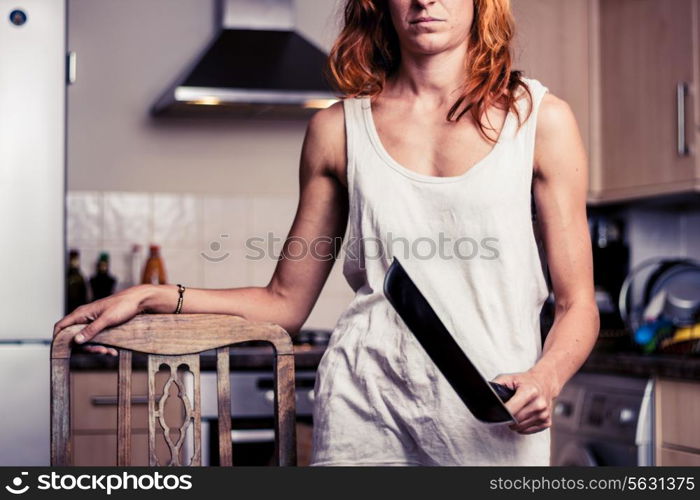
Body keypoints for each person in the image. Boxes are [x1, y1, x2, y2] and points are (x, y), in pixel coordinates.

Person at [53, 0, 599, 466]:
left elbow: (578, 304)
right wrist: (156, 297)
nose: (425, 0)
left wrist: (546, 378)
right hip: (364, 406)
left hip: (492, 414)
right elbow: (284, 302)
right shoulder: (337, 130)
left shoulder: (540, 120)